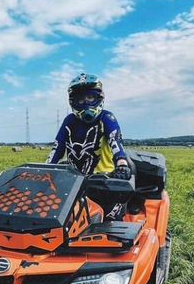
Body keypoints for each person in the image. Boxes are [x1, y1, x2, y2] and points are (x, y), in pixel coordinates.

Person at [47, 72, 131, 220]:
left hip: (105, 184)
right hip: (72, 185)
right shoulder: (69, 121)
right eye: (80, 99)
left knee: (107, 226)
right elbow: (57, 148)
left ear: (98, 98)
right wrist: (46, 170)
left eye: (90, 97)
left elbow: (116, 142)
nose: (86, 103)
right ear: (74, 101)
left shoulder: (107, 118)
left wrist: (122, 164)